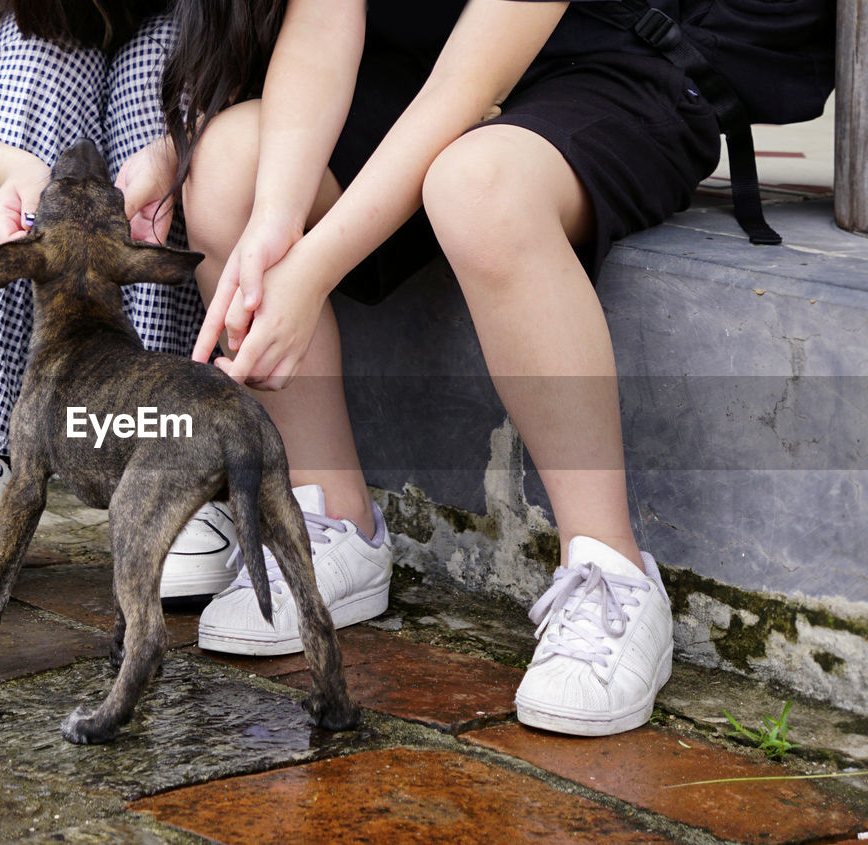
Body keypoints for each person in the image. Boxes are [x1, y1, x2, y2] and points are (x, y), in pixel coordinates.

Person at [161, 0, 720, 735]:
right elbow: (326, 21)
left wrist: (311, 270)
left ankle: (611, 571)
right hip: (415, 82)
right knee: (231, 165)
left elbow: (467, 86)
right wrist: (272, 224)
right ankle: (330, 521)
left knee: (478, 184)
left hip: (603, 68)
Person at [0, 0, 238, 622]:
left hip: (190, 84)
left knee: (174, 57)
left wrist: (177, 152)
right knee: (29, 57)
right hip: (36, 74)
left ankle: (171, 454)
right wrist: (12, 175)